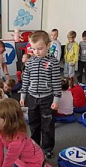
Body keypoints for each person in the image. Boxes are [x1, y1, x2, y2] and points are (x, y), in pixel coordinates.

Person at [0, 98, 54, 167]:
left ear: (8, 121)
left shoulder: (17, 139)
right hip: (19, 158)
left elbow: (8, 160)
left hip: (33, 160)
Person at [20, 30, 62, 159]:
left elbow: (56, 82)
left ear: (48, 46)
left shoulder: (53, 62)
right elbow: (25, 79)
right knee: (33, 123)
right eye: (33, 49)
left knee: (47, 124)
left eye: (40, 48)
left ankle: (48, 148)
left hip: (47, 99)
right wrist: (23, 96)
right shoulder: (30, 62)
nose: (36, 52)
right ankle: (34, 144)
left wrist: (56, 100)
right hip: (32, 98)